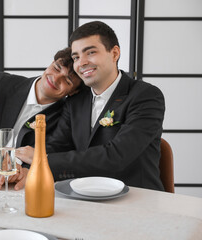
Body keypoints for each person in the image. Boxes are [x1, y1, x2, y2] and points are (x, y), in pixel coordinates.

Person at [17, 21, 165, 191]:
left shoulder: (145, 96)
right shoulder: (76, 100)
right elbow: (56, 146)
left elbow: (116, 156)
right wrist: (23, 166)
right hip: (82, 196)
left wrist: (42, 159)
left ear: (114, 53)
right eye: (76, 57)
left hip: (136, 198)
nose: (82, 63)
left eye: (91, 52)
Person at [0, 47, 82, 190]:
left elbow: (49, 153)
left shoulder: (67, 115)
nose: (55, 78)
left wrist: (20, 170)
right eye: (56, 68)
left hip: (19, 187)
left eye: (67, 81)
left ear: (73, 91)